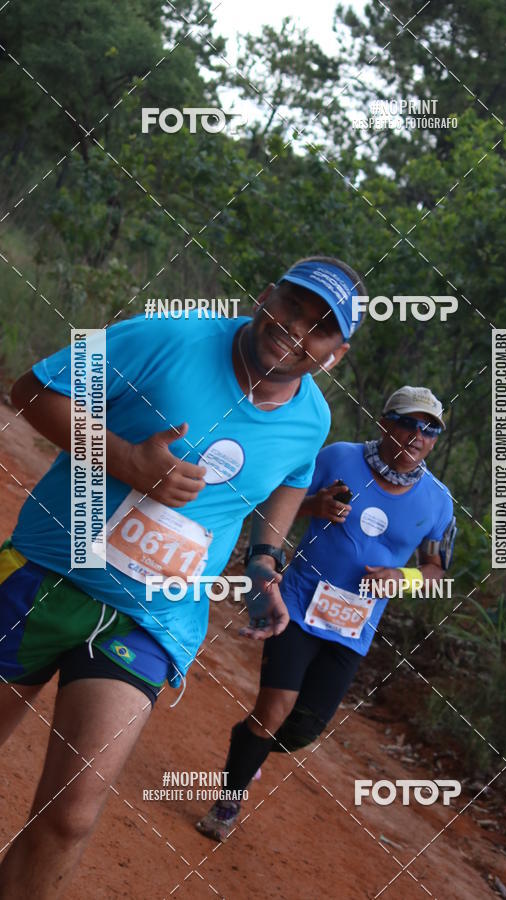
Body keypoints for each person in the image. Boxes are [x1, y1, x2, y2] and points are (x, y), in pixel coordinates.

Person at [0, 255, 367, 897]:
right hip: (46, 571)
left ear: (334, 355)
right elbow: (30, 391)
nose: (295, 329)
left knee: (72, 815)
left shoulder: (313, 419)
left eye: (319, 328)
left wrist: (263, 564)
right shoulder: (164, 335)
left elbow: (287, 486)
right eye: (293, 305)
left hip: (152, 619)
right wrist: (124, 460)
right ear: (265, 295)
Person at [197, 386, 457, 841]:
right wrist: (314, 506)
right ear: (385, 423)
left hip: (353, 628)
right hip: (297, 604)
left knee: (303, 729)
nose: (418, 436)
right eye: (409, 423)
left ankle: (249, 745)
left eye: (430, 428)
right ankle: (228, 801)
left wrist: (404, 578)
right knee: (274, 709)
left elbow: (436, 568)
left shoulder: (437, 501)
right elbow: (275, 503)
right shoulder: (338, 458)